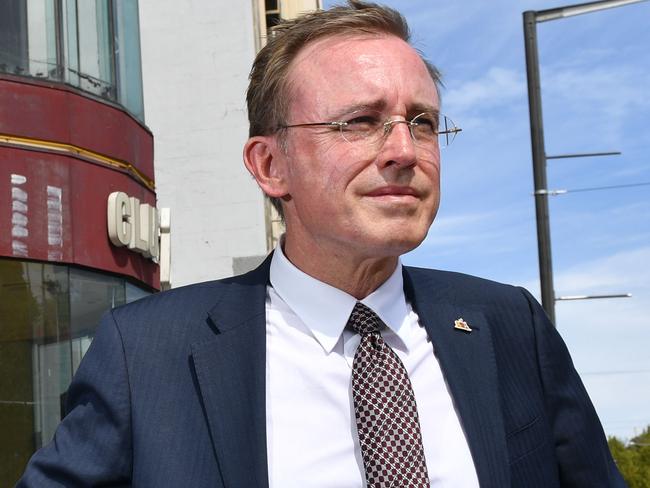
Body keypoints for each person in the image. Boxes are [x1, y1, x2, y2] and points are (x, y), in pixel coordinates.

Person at [18, 1, 624, 487]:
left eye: (422, 122)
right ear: (270, 164)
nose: (405, 151)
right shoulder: (147, 353)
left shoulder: (508, 325)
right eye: (360, 122)